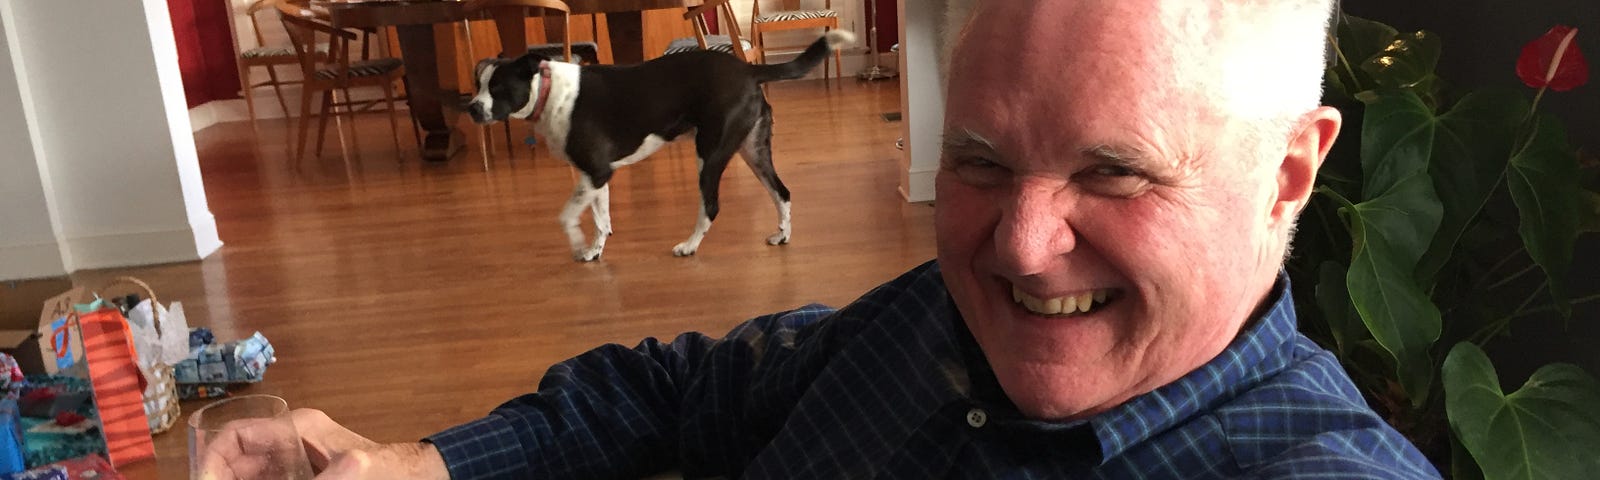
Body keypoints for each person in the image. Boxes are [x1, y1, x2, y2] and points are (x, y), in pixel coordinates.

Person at [199, 0, 1442, 478]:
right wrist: (421, 465)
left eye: (1114, 173)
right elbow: (688, 388)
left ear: (1289, 170)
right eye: (979, 162)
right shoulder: (930, 320)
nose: (1014, 250)